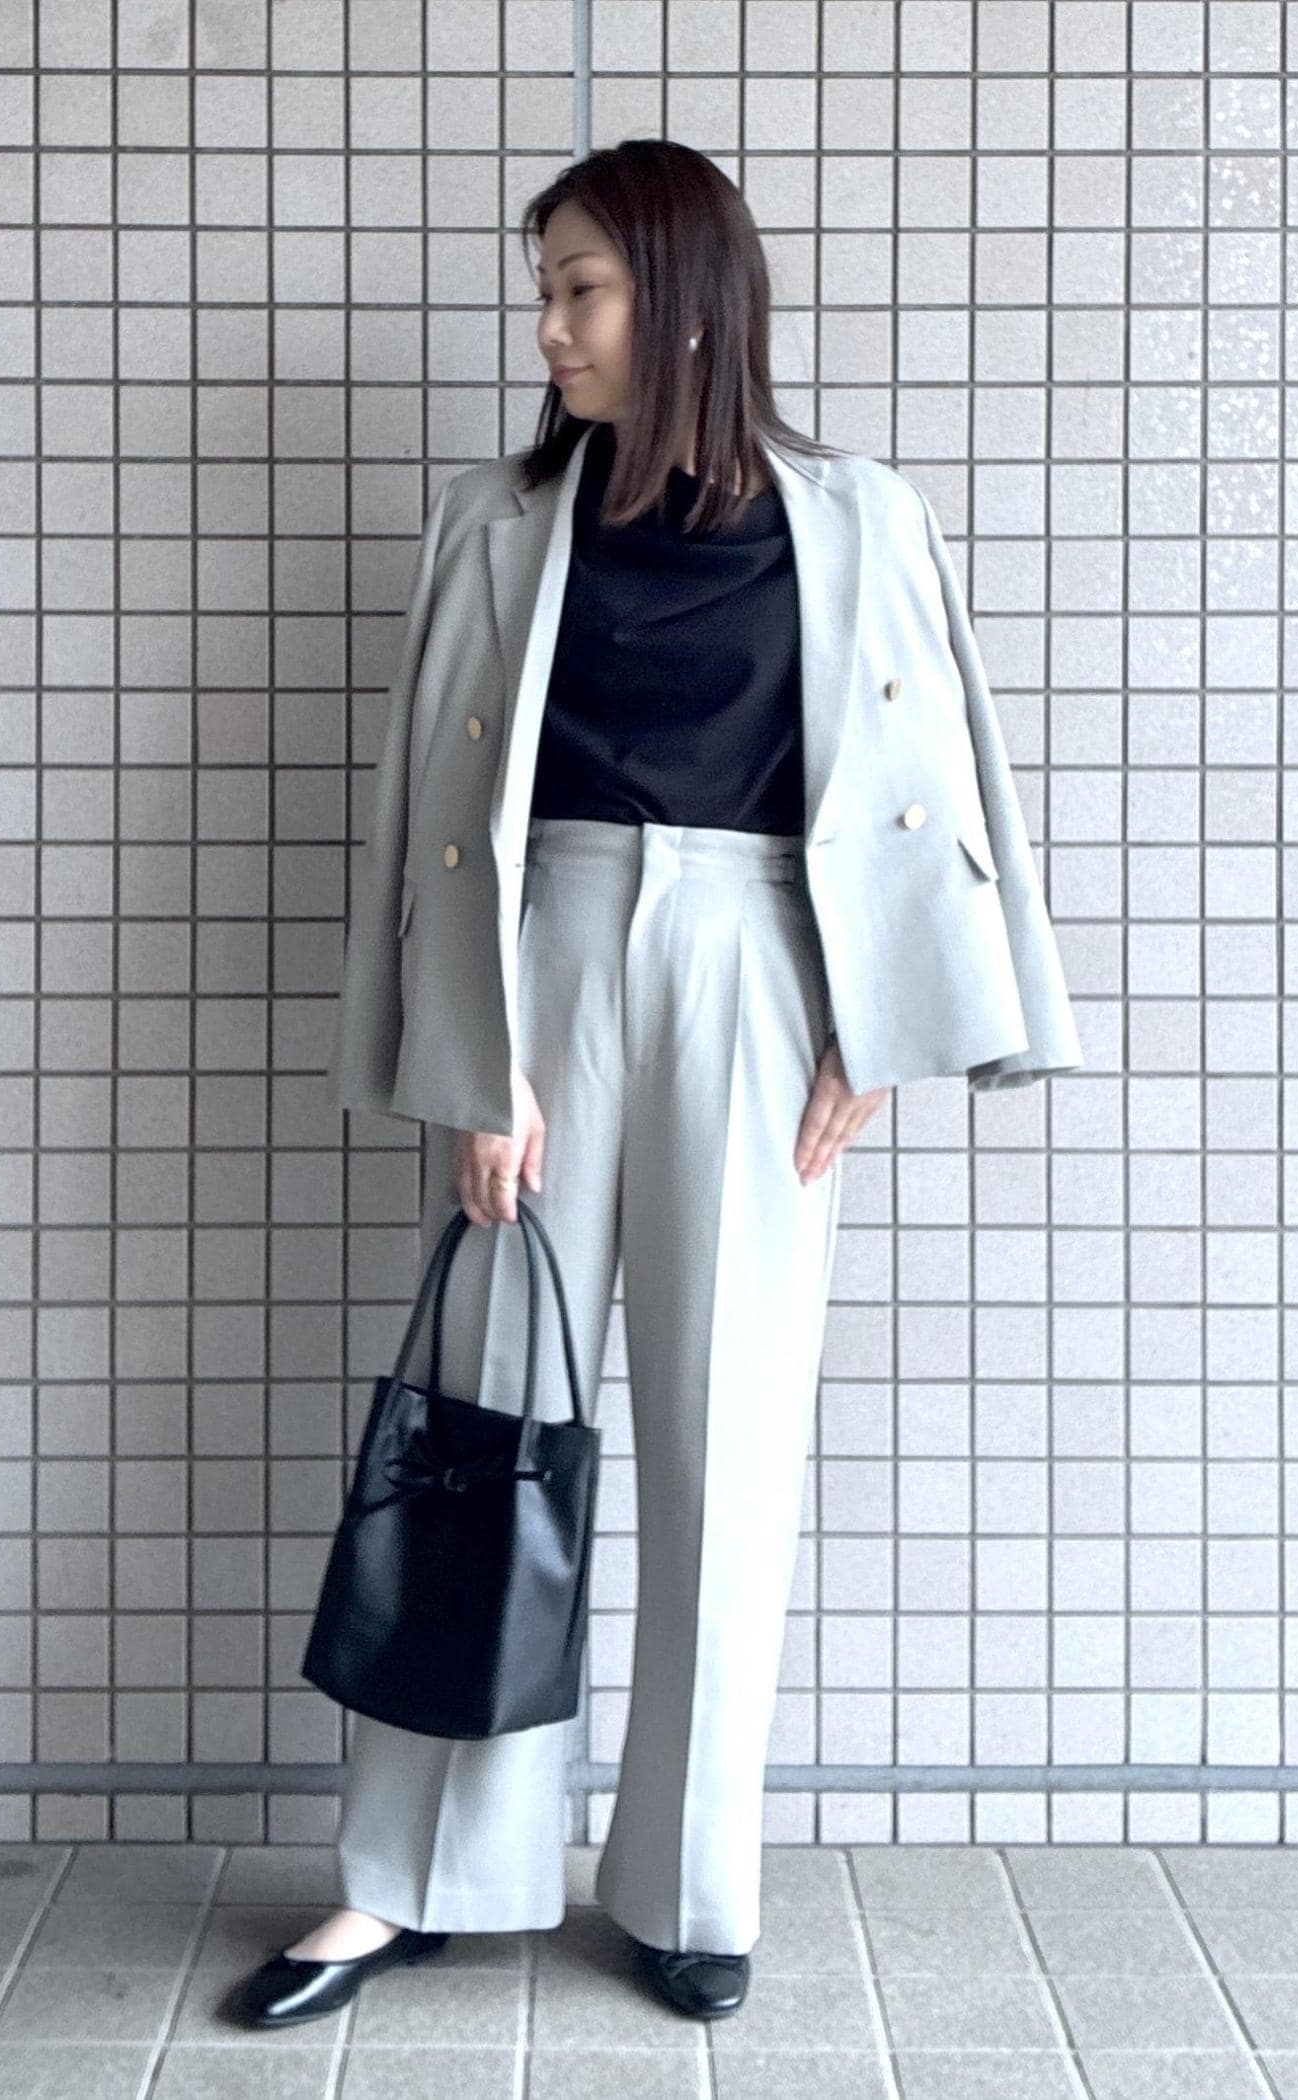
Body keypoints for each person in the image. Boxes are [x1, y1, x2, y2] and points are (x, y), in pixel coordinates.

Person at [226, 137, 1081, 2033]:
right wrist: (476, 1064)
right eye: (545, 290)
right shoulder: (500, 517)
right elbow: (437, 815)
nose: (550, 329)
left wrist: (876, 1027)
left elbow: (931, 780)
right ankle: (413, 1879)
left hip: (763, 974)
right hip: (544, 965)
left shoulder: (858, 517)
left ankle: (690, 1886)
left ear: (688, 294)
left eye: (582, 289)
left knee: (728, 1434)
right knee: (486, 1411)